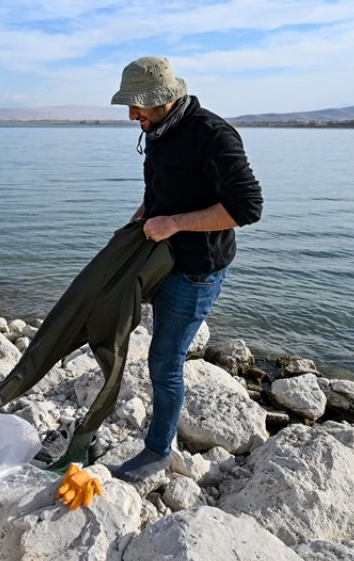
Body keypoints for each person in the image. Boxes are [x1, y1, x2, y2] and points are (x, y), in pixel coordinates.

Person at [108, 56, 263, 482]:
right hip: (158, 258)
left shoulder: (212, 135)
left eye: (138, 104)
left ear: (165, 98)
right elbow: (160, 188)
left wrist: (174, 223)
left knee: (164, 359)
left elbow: (246, 208)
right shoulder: (158, 129)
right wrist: (142, 216)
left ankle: (158, 450)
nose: (131, 114)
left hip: (195, 269)